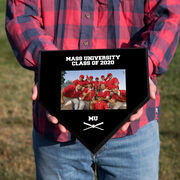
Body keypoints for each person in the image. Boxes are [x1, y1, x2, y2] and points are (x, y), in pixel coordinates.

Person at [5, 0, 180, 179]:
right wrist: (50, 69)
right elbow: (21, 14)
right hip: (58, 128)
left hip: (132, 126)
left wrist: (143, 66)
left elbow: (168, 15)